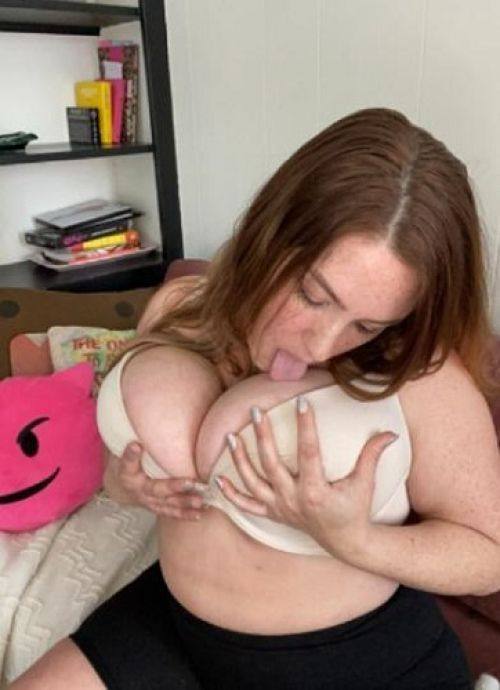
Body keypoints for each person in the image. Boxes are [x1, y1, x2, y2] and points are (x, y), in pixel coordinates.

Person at [11, 107, 500, 690]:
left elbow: (487, 556)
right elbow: (116, 470)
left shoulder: (420, 373)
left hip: (354, 664)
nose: (323, 344)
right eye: (313, 295)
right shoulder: (182, 307)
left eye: (366, 325)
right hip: (176, 629)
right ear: (273, 234)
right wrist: (127, 484)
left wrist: (355, 540)